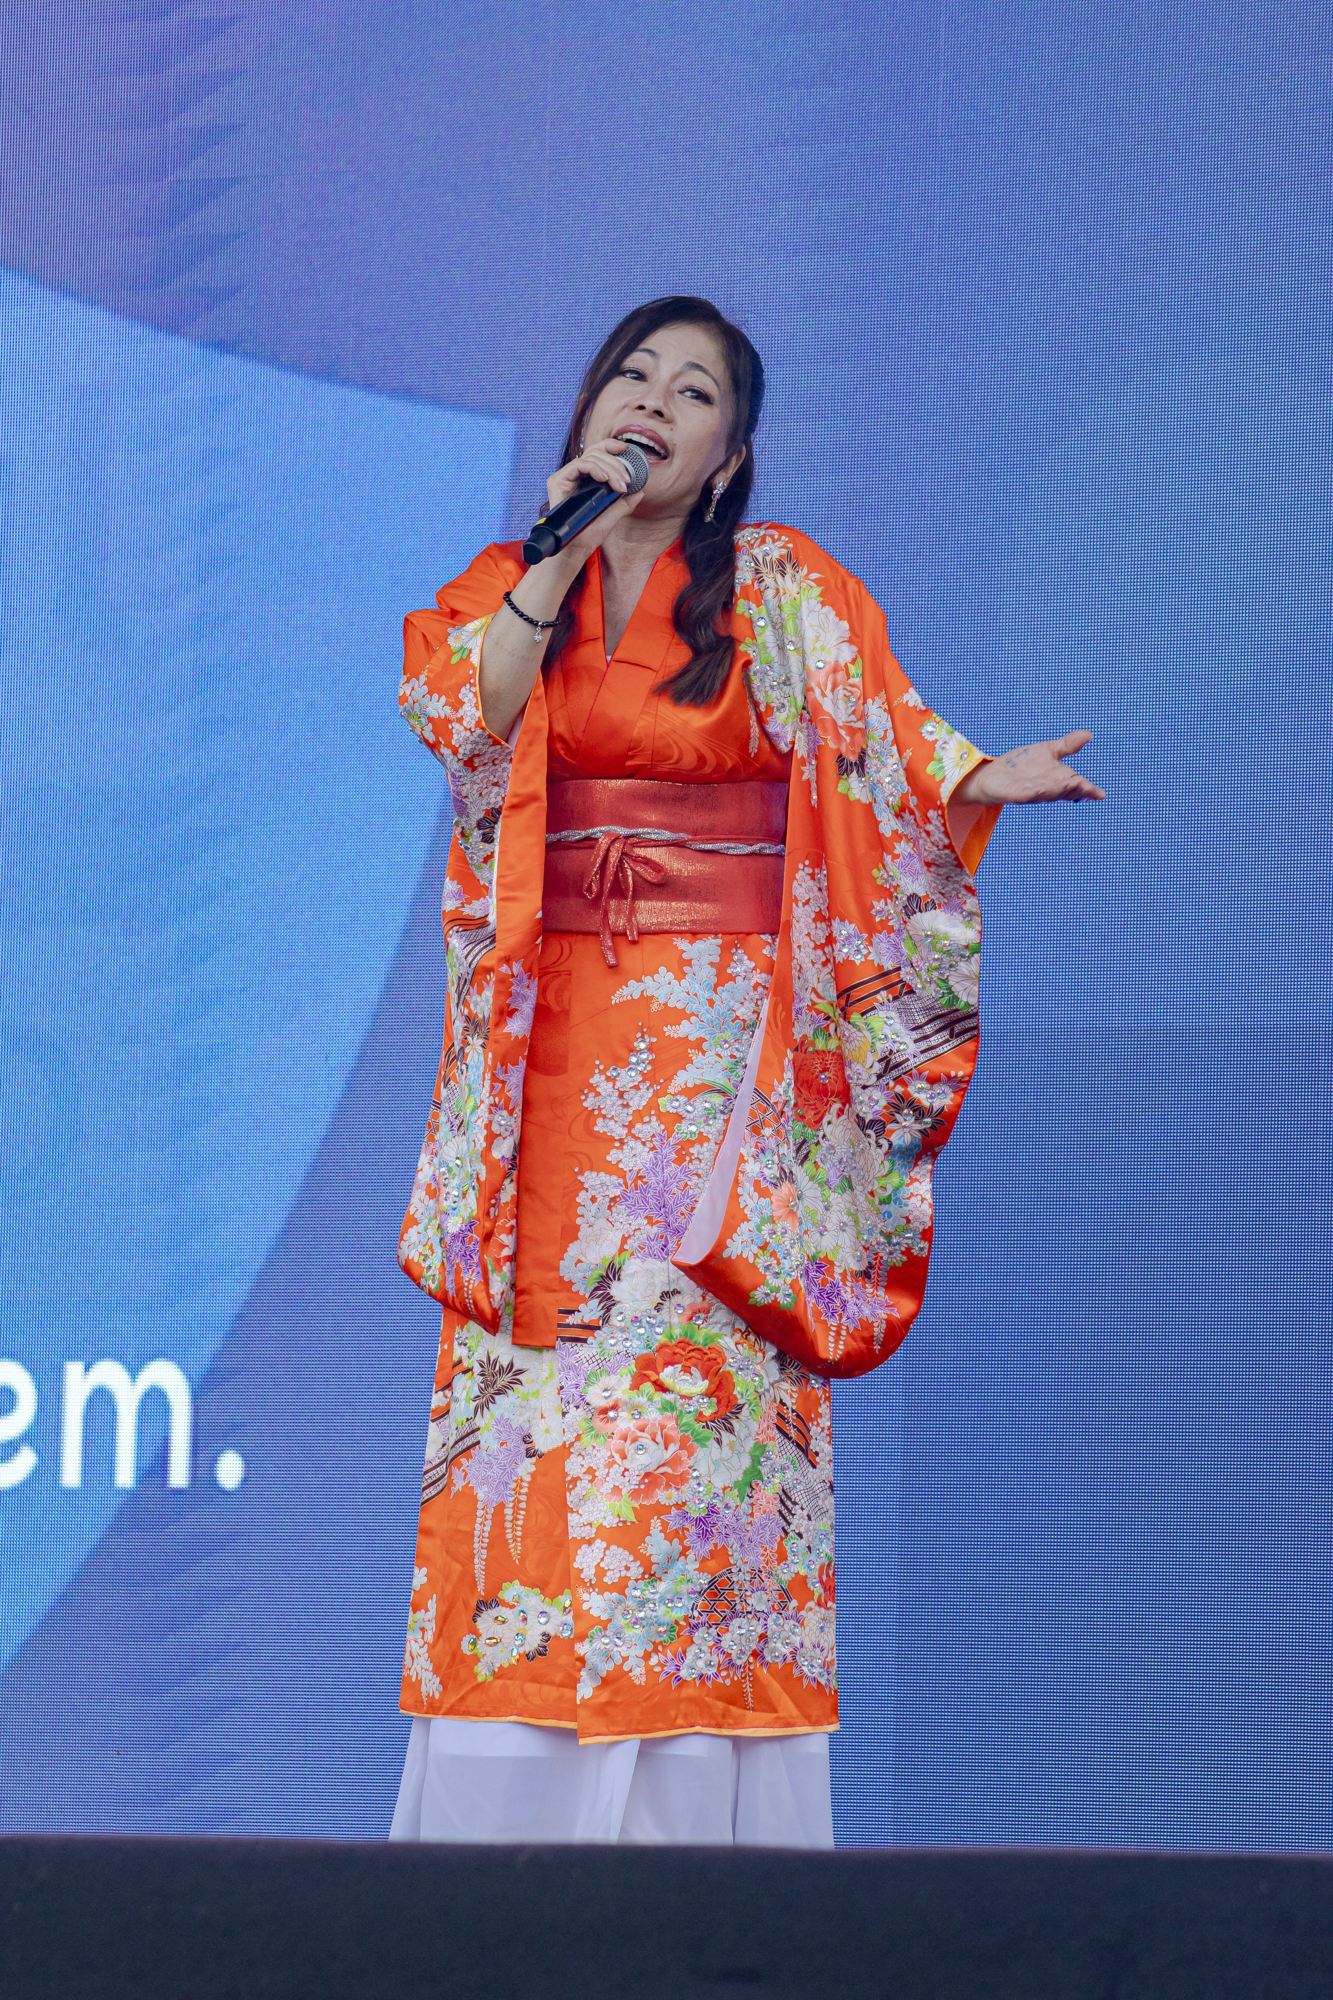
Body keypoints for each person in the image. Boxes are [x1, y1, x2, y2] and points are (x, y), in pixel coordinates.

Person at [387, 296, 1103, 1847]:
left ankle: (695, 1808)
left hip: (718, 1099)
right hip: (545, 1082)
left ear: (726, 455)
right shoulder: (510, 579)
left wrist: (976, 778)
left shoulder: (779, 590)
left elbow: (883, 753)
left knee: (687, 1427)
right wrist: (556, 555)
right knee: (534, 1442)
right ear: (592, 409)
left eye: (693, 389)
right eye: (634, 374)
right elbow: (460, 712)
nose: (655, 398)